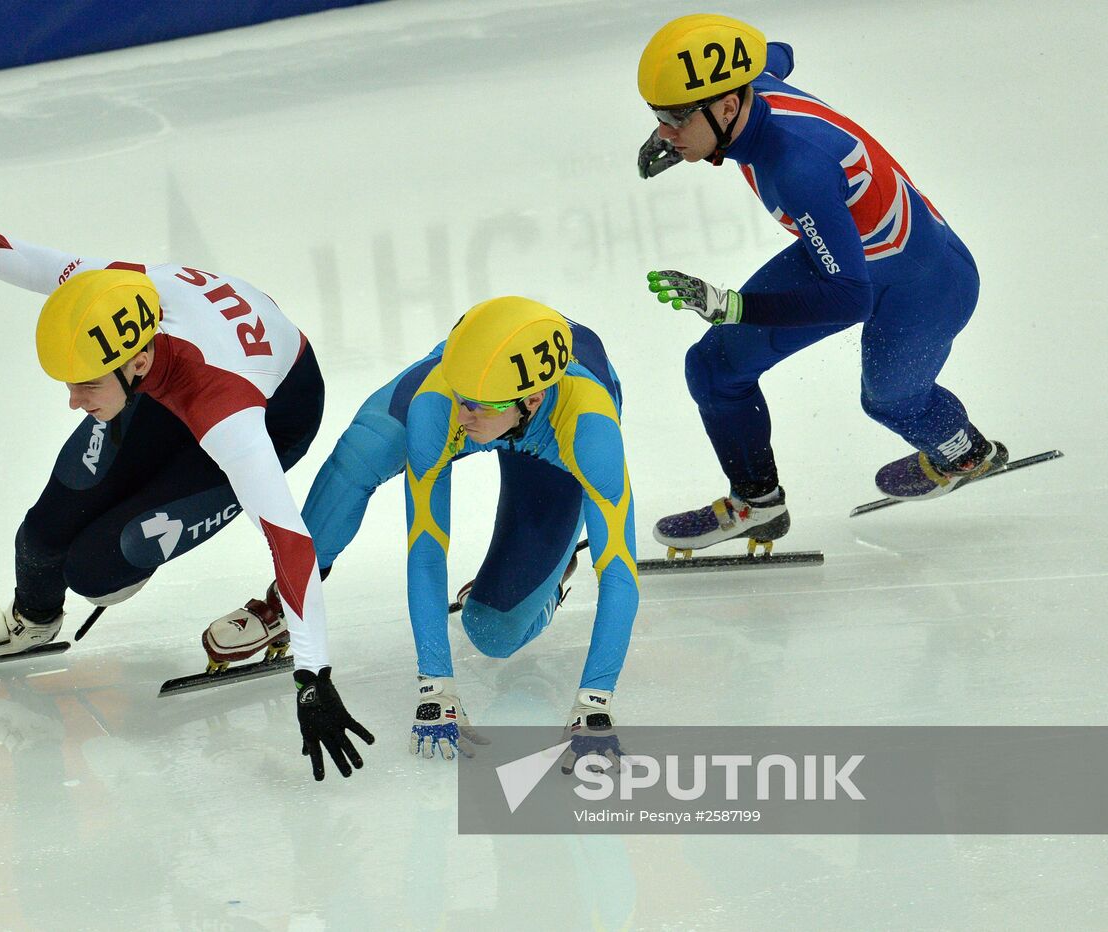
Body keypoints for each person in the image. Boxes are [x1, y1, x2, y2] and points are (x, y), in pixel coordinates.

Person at [0, 153, 373, 782]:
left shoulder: (228, 413)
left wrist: (312, 674)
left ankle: (198, 584)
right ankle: (33, 620)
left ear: (132, 363)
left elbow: (289, 537)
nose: (72, 400)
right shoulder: (107, 290)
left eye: (83, 384)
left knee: (98, 568)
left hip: (273, 406)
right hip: (172, 378)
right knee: (44, 534)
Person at [204, 296, 639, 767]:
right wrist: (437, 687)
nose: (462, 416)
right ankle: (286, 599)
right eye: (460, 400)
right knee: (355, 460)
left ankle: (549, 577)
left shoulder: (590, 428)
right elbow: (427, 548)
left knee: (493, 633)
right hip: (468, 380)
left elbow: (619, 572)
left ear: (531, 400)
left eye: (475, 407)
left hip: (555, 439)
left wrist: (594, 706)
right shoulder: (440, 403)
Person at [633, 15, 1005, 553]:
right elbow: (773, 53)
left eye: (673, 118)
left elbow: (849, 298)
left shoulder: (796, 168)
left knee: (889, 400)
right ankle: (757, 504)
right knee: (713, 368)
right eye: (657, 117)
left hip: (925, 286)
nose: (664, 133)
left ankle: (964, 449)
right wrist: (684, 123)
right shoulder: (750, 82)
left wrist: (731, 305)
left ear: (729, 106)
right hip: (850, 255)